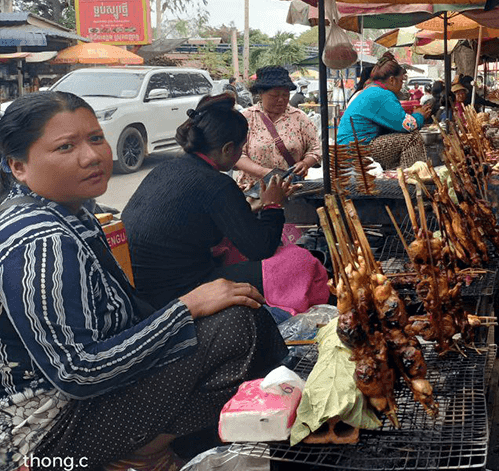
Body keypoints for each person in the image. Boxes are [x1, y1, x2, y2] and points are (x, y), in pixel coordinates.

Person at [0, 91, 285, 470]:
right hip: (47, 437)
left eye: (96, 138)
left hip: (85, 402)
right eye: (66, 146)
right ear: (19, 167)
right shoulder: (42, 240)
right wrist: (186, 308)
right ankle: (157, 453)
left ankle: (158, 448)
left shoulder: (74, 213)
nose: (91, 156)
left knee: (238, 310)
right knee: (239, 326)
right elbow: (77, 372)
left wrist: (187, 312)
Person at [123, 93, 307, 310]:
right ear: (228, 148)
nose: (240, 154)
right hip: (178, 293)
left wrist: (251, 205)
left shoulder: (164, 169)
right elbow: (260, 248)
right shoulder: (216, 184)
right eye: (241, 148)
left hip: (138, 290)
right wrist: (273, 206)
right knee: (300, 263)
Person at [336, 53, 432, 169]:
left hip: (349, 148)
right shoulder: (382, 94)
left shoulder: (372, 90)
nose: (401, 86)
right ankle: (412, 181)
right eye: (401, 81)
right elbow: (409, 125)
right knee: (412, 139)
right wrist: (420, 115)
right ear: (392, 80)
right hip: (355, 150)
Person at [234, 66, 321, 189]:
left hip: (290, 189)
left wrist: (306, 163)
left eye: (285, 95)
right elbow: (237, 154)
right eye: (274, 96)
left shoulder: (299, 117)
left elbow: (315, 149)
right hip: (252, 190)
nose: (281, 100)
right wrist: (265, 173)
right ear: (261, 94)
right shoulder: (246, 118)